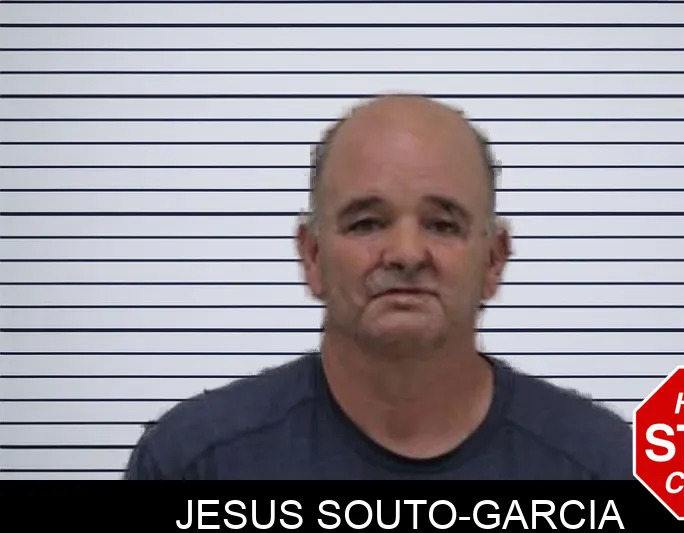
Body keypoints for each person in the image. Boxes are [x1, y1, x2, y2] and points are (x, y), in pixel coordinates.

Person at [124, 93, 633, 480]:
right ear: (312, 255)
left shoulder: (605, 466)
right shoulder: (195, 464)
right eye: (366, 223)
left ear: (494, 260)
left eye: (442, 224)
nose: (406, 254)